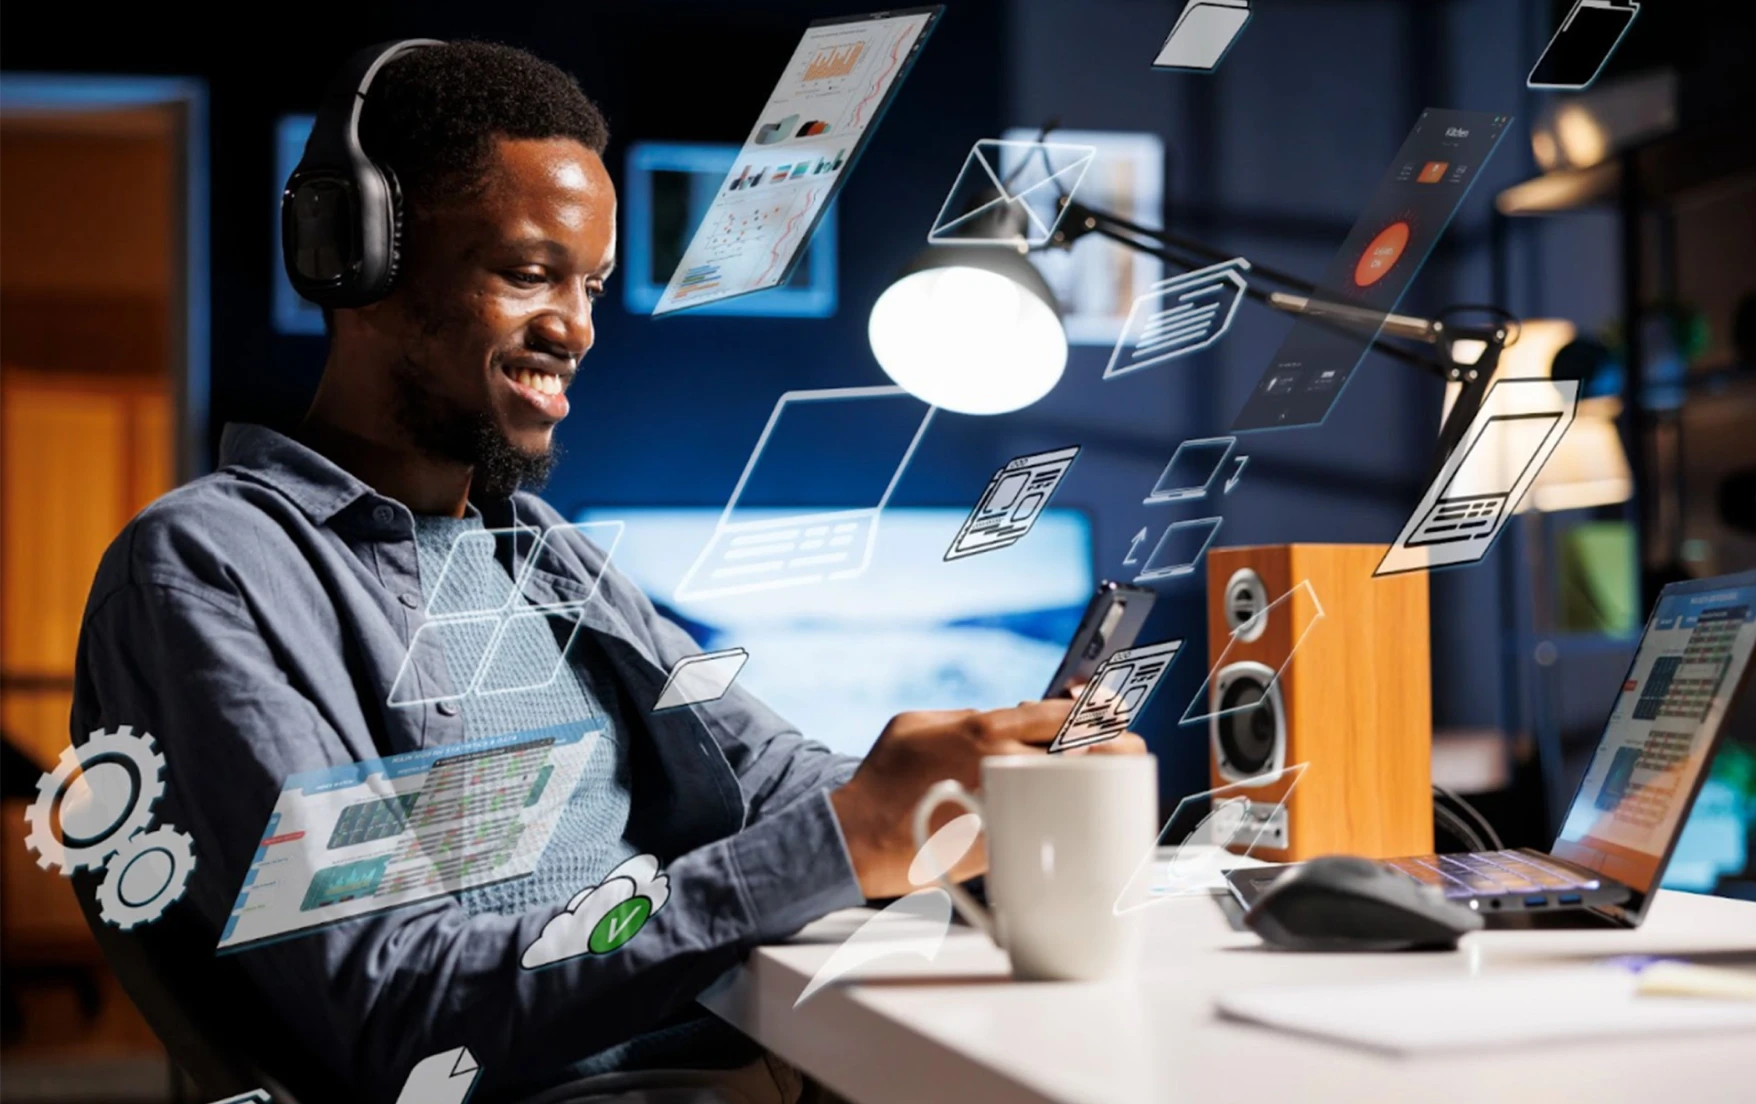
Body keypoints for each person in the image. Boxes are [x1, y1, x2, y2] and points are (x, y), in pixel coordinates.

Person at [70, 41, 1143, 1103]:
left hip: (762, 1060)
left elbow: (769, 775)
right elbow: (396, 1003)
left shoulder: (545, 552)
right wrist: (840, 841)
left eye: (587, 284)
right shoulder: (217, 571)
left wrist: (975, 782)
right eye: (527, 274)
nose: (575, 328)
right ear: (360, 262)